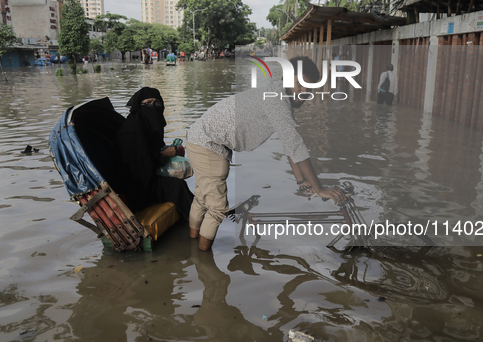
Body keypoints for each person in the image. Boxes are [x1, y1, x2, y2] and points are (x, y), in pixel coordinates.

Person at [186, 56, 346, 250]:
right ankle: (202, 261)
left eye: (309, 88)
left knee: (202, 197)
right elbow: (295, 146)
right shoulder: (278, 100)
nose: (304, 92)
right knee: (218, 208)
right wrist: (319, 188)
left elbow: (290, 144)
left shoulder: (278, 95)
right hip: (208, 142)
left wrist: (302, 181)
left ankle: (192, 246)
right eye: (299, 84)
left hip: (201, 137)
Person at [116, 87, 194, 219]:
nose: (153, 107)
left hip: (151, 177)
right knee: (177, 186)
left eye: (156, 103)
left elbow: (152, 153)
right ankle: (197, 221)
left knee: (177, 181)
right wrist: (163, 156)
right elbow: (138, 169)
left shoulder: (151, 126)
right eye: (147, 104)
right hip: (138, 186)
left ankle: (197, 216)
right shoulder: (132, 130)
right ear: (139, 106)